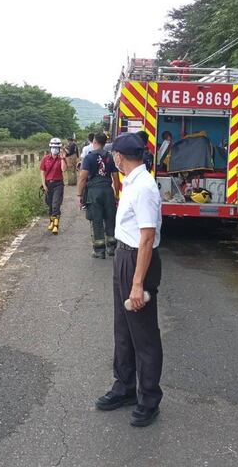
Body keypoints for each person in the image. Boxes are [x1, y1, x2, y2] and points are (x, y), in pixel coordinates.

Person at [95, 132, 163, 428]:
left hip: (138, 259)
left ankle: (149, 398)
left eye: (114, 155)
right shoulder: (131, 181)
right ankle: (124, 387)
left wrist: (138, 283)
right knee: (123, 328)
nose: (113, 158)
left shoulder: (144, 187)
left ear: (120, 157)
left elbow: (147, 237)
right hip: (125, 256)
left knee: (144, 333)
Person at [77, 132, 120, 259]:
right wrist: (116, 194)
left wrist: (79, 195)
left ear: (94, 142)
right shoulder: (109, 157)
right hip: (107, 191)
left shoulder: (89, 158)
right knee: (110, 218)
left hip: (94, 192)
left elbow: (83, 178)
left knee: (96, 220)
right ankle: (111, 247)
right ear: (105, 143)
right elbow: (116, 178)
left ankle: (99, 250)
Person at [40, 137, 67, 235]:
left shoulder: (61, 159)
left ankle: (56, 225)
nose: (54, 149)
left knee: (56, 205)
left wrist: (63, 158)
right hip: (48, 184)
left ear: (59, 148)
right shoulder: (45, 159)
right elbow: (42, 172)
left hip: (58, 184)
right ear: (50, 147)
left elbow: (63, 170)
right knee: (50, 205)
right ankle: (51, 222)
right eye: (53, 147)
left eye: (56, 147)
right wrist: (44, 185)